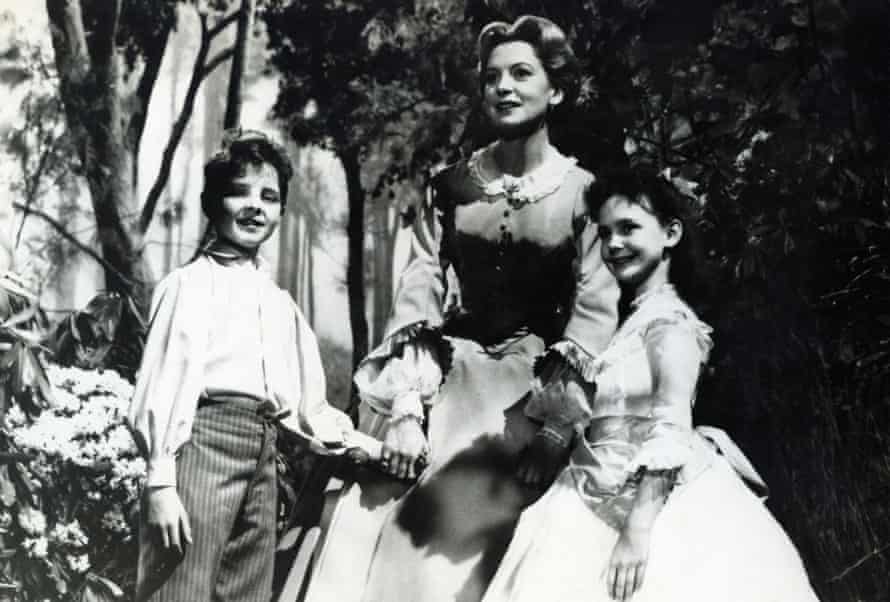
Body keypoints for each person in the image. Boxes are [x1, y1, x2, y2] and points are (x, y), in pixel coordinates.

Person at [292, 15, 619, 602]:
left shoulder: (584, 193)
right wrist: (405, 408)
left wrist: (555, 430)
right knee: (375, 513)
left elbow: (596, 304)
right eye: (493, 77)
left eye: (522, 73)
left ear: (558, 90)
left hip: (534, 390)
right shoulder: (450, 187)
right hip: (450, 375)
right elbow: (418, 287)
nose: (504, 87)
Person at [481, 168, 821, 602]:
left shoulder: (669, 322)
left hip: (653, 506)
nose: (614, 245)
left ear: (671, 234)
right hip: (591, 490)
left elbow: (672, 423)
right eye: (605, 234)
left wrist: (637, 530)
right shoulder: (634, 321)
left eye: (629, 229)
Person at [128, 128, 368, 602]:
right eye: (238, 192)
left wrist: (370, 448)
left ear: (281, 211)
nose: (255, 206)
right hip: (201, 445)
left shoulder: (279, 305)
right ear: (212, 203)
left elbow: (309, 410)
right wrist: (160, 482)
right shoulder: (189, 285)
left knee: (248, 593)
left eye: (269, 196)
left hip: (264, 453)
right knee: (179, 588)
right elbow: (160, 385)